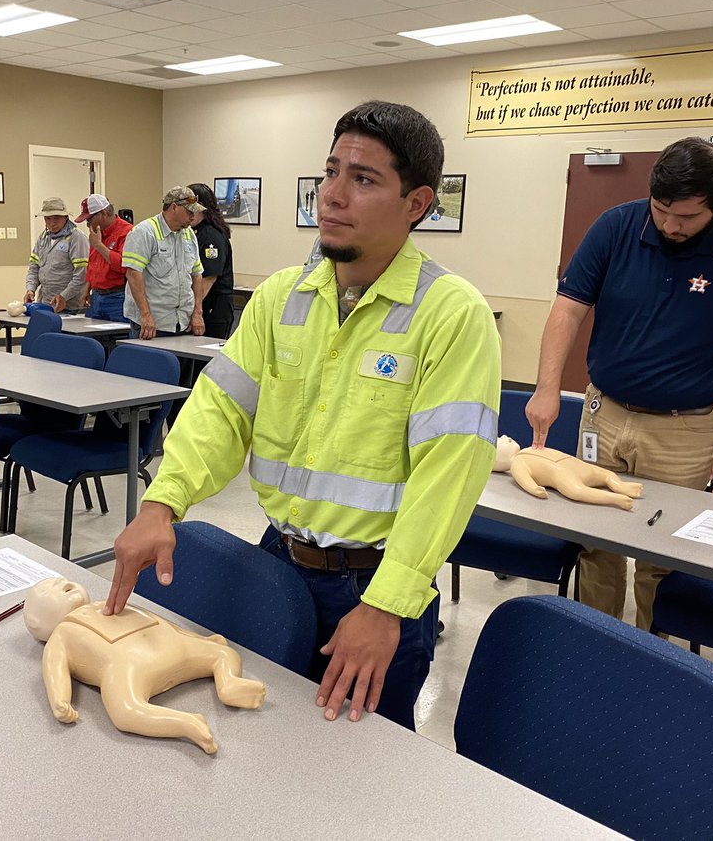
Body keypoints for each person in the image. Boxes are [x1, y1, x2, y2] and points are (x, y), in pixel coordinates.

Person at [104, 101, 501, 730]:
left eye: (363, 180)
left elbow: (449, 474)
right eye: (331, 172)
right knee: (263, 742)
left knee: (355, 777)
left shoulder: (452, 314)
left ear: (417, 202)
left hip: (374, 585)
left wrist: (388, 606)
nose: (333, 196)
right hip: (278, 564)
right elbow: (220, 409)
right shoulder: (282, 297)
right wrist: (162, 503)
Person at [525, 136, 713, 630]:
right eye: (661, 211)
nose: (671, 225)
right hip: (603, 413)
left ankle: (652, 658)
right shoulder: (616, 226)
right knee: (596, 540)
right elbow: (568, 310)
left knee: (665, 554)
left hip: (687, 429)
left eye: (688, 217)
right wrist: (547, 388)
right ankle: (595, 641)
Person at [122, 186, 205, 340]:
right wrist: (146, 315)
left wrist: (197, 313)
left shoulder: (189, 235)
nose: (193, 217)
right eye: (189, 212)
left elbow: (197, 275)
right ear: (174, 207)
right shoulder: (145, 232)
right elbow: (133, 274)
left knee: (181, 364)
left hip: (183, 322)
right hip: (152, 324)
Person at [74, 193, 132, 321]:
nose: (88, 224)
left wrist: (99, 245)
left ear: (103, 213)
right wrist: (86, 289)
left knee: (116, 337)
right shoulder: (97, 233)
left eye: (90, 219)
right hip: (96, 297)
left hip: (117, 297)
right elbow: (93, 264)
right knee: (92, 337)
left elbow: (124, 266)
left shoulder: (127, 232)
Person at [188, 182, 235, 338]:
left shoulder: (210, 236)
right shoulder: (196, 231)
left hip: (213, 310)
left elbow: (208, 279)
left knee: (205, 360)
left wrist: (195, 311)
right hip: (205, 307)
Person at [26, 197, 87, 312]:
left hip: (70, 307)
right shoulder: (43, 237)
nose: (52, 223)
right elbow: (34, 267)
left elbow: (82, 274)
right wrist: (30, 289)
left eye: (56, 218)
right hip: (45, 303)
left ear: (66, 217)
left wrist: (64, 296)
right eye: (48, 219)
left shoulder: (76, 238)